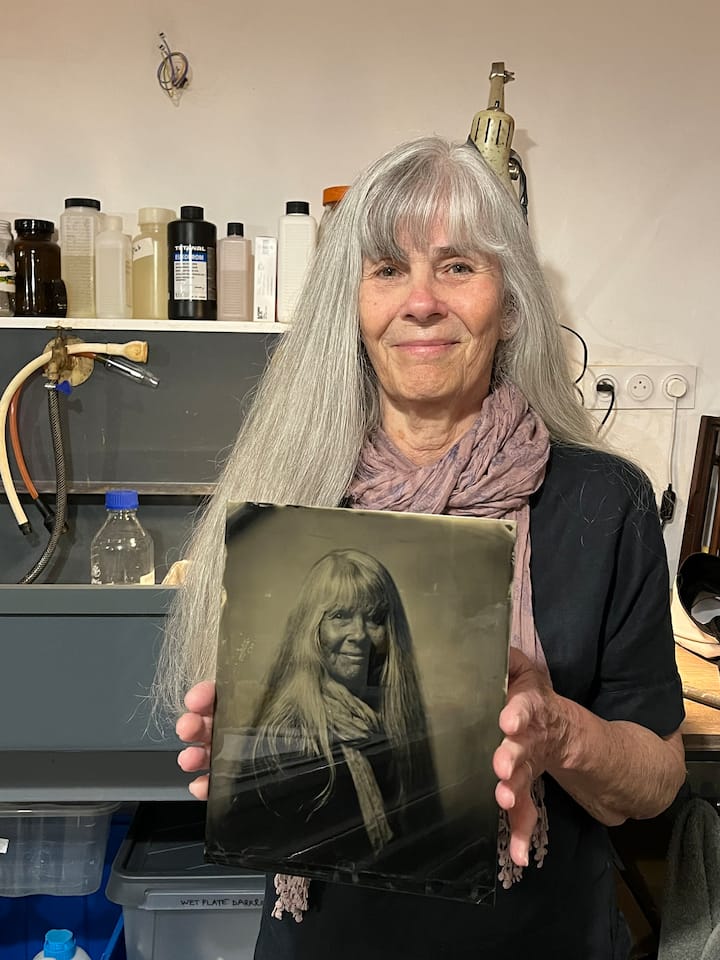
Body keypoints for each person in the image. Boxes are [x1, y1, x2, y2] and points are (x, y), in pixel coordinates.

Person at [157, 135, 686, 959]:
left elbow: (653, 783)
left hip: (538, 940)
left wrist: (559, 733)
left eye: (458, 266)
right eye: (387, 269)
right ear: (353, 307)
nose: (422, 302)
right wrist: (256, 746)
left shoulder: (602, 503)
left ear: (511, 305)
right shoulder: (291, 491)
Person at [206, 547, 456, 889]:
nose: (360, 634)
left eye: (375, 618)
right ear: (313, 628)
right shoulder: (285, 739)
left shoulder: (389, 729)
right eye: (340, 616)